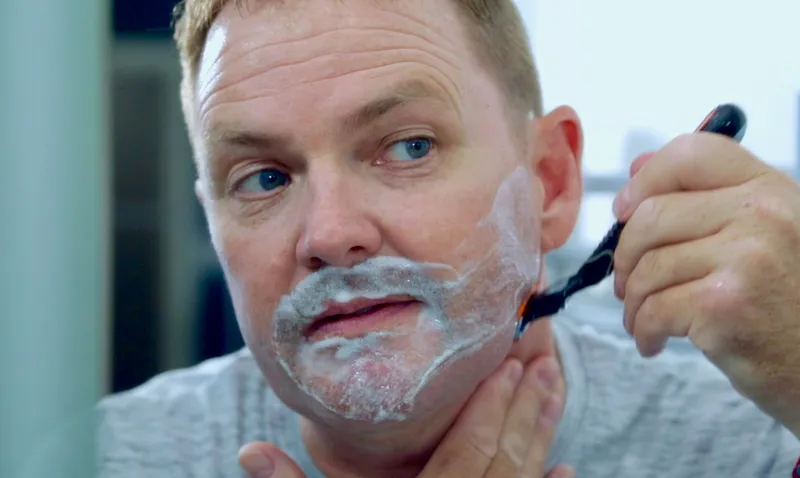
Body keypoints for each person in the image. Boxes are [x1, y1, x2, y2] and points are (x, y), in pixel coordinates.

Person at [96, 0, 800, 476]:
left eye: (408, 147)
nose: (333, 234)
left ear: (550, 183)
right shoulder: (106, 459)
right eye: (264, 180)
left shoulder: (754, 443)